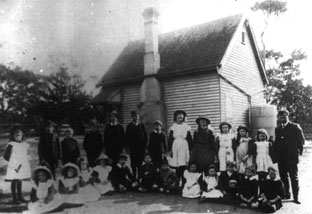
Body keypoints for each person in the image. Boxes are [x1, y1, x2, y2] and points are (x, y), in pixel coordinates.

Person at [273, 109, 305, 204]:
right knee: (283, 176)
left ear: (288, 116)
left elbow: (301, 141)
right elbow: (277, 143)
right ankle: (287, 193)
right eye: (280, 117)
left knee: (293, 177)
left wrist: (297, 153)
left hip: (291, 156)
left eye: (284, 117)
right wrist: (276, 155)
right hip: (281, 157)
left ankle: (296, 197)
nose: (282, 119)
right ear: (278, 118)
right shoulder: (278, 129)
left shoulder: (295, 127)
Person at [4, 126, 31, 204]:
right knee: (14, 181)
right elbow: (6, 156)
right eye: (16, 134)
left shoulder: (24, 145)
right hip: (14, 166)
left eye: (19, 135)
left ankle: (20, 196)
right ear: (13, 136)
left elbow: (26, 155)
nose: (17, 136)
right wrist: (14, 162)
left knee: (20, 181)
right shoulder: (11, 144)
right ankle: (14, 198)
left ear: (22, 136)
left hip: (22, 166)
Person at [168, 110, 193, 187]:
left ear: (183, 118)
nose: (179, 118)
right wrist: (170, 150)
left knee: (184, 164)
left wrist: (191, 149)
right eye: (178, 116)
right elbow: (170, 139)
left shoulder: (186, 127)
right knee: (177, 164)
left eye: (181, 116)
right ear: (175, 117)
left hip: (184, 145)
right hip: (175, 146)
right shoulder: (173, 127)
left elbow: (190, 139)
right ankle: (177, 182)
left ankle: (184, 183)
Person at [125, 111, 148, 179]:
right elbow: (127, 137)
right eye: (134, 116)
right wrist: (127, 147)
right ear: (131, 117)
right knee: (133, 164)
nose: (135, 118)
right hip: (133, 149)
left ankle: (139, 178)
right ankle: (134, 177)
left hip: (140, 149)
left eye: (137, 116)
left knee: (140, 164)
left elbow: (145, 137)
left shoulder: (141, 125)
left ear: (138, 117)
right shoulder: (129, 126)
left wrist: (144, 147)